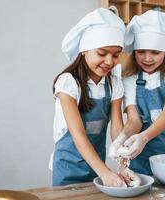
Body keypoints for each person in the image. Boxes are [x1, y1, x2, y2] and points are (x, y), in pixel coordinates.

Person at [50, 8, 127, 187]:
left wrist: (122, 165)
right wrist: (106, 173)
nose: (109, 61)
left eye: (116, 55)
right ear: (84, 50)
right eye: (102, 53)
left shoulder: (114, 83)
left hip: (97, 167)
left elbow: (117, 128)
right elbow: (77, 134)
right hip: (68, 168)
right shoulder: (68, 82)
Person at [109, 10, 165, 175]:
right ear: (134, 52)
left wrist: (143, 137)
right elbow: (134, 120)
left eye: (155, 52)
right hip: (141, 158)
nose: (147, 58)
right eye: (141, 52)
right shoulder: (129, 79)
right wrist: (121, 138)